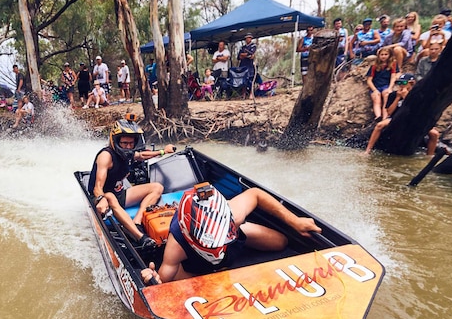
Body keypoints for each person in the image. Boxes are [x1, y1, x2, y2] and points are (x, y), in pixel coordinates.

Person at [141, 183, 321, 284]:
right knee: (182, 280)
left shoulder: (234, 216)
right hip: (195, 265)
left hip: (234, 238)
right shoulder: (177, 245)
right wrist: (154, 280)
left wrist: (294, 221)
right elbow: (165, 279)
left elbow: (255, 194)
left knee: (280, 242)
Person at [88, 115, 177, 250]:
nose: (128, 147)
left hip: (118, 194)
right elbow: (97, 187)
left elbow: (141, 156)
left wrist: (163, 151)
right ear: (116, 141)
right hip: (101, 199)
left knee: (157, 187)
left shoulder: (127, 152)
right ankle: (140, 237)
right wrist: (100, 199)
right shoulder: (106, 156)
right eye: (125, 143)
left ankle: (136, 221)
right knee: (110, 196)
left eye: (131, 143)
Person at [364, 73, 439, 155]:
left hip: (414, 119)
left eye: (403, 83)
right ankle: (368, 150)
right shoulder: (393, 95)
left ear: (411, 83)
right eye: (399, 83)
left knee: (434, 134)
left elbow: (417, 109)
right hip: (396, 118)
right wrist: (397, 98)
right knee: (379, 125)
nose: (401, 85)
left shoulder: (418, 95)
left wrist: (406, 97)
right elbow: (389, 112)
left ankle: (430, 155)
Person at [366, 46, 398, 122]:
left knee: (386, 97)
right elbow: (369, 80)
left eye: (386, 54)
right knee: (376, 99)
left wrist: (390, 88)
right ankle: (378, 116)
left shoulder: (392, 65)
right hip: (376, 86)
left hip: (385, 86)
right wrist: (374, 90)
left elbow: (393, 77)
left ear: (389, 55)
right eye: (382, 54)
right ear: (379, 56)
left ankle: (385, 117)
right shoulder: (374, 66)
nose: (383, 56)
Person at [238, 33, 257, 97]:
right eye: (246, 38)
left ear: (251, 38)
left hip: (250, 65)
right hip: (243, 65)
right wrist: (245, 55)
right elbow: (239, 56)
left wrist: (244, 55)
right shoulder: (242, 47)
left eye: (249, 38)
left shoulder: (253, 45)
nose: (247, 39)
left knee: (251, 79)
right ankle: (244, 93)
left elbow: (251, 55)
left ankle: (251, 94)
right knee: (243, 79)